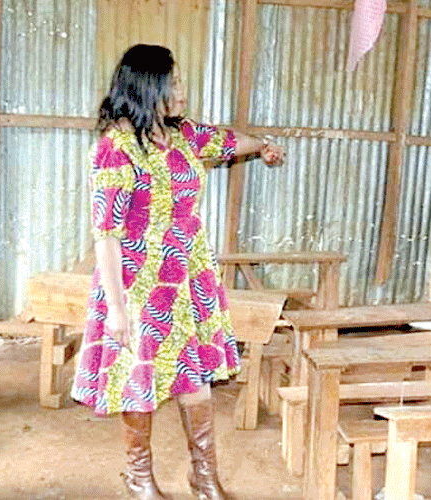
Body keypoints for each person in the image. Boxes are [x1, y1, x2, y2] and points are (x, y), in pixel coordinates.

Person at [71, 44, 284, 500]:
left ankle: (203, 477)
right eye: (175, 83)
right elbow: (105, 233)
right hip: (138, 283)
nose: (183, 91)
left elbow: (230, 141)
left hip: (189, 281)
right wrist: (116, 308)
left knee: (195, 375)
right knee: (139, 378)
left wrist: (263, 145)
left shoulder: (184, 136)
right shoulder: (116, 148)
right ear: (149, 86)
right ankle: (139, 477)